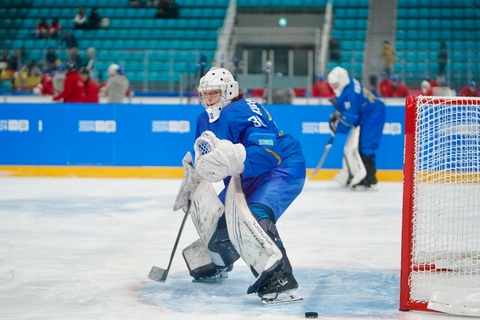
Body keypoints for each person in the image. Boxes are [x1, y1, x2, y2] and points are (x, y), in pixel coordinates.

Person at [179, 67, 306, 304]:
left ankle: (281, 279)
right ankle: (219, 262)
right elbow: (205, 157)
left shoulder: (240, 111)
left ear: (229, 91)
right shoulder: (203, 119)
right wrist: (195, 180)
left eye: (214, 93)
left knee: (253, 216)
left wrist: (234, 157)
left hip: (281, 167)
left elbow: (269, 152)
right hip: (245, 174)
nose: (208, 99)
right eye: (204, 94)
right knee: (222, 226)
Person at [327, 66, 386, 190]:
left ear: (342, 80)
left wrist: (339, 127)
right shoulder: (347, 85)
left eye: (336, 84)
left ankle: (369, 179)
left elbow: (350, 116)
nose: (334, 87)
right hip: (366, 114)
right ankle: (355, 174)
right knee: (353, 147)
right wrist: (336, 115)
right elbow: (346, 108)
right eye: (332, 85)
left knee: (365, 146)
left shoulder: (350, 93)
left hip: (373, 114)